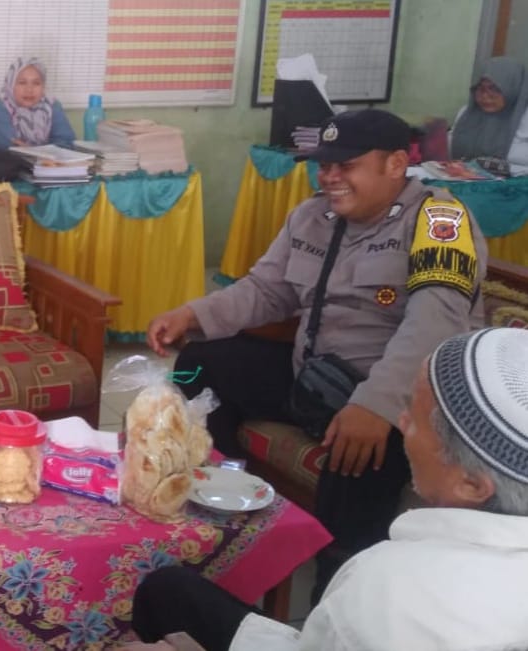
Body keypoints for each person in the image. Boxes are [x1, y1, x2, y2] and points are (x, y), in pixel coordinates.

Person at [145, 109, 488, 599]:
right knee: (199, 364)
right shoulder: (312, 216)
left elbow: (433, 326)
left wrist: (374, 406)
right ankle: (218, 500)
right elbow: (266, 290)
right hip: (311, 377)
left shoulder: (439, 221)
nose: (330, 177)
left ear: (395, 164)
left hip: (386, 396)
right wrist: (191, 314)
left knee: (361, 452)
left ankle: (336, 589)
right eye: (325, 165)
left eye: (347, 165)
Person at [128, 327, 528, 651]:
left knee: (164, 591)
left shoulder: (388, 587)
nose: (401, 420)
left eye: (416, 419)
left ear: (471, 484)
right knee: (169, 589)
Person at [450, 56, 528, 175]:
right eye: (480, 88)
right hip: (463, 179)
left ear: (513, 88)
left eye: (495, 89)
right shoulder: (467, 114)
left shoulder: (524, 119)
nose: (485, 96)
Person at [0, 56, 76, 149]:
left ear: (43, 86)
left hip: (46, 160)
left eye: (36, 83)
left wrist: (46, 153)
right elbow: (8, 146)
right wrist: (42, 152)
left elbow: (66, 141)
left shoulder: (51, 106)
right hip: (3, 160)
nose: (29, 90)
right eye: (22, 83)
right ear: (11, 85)